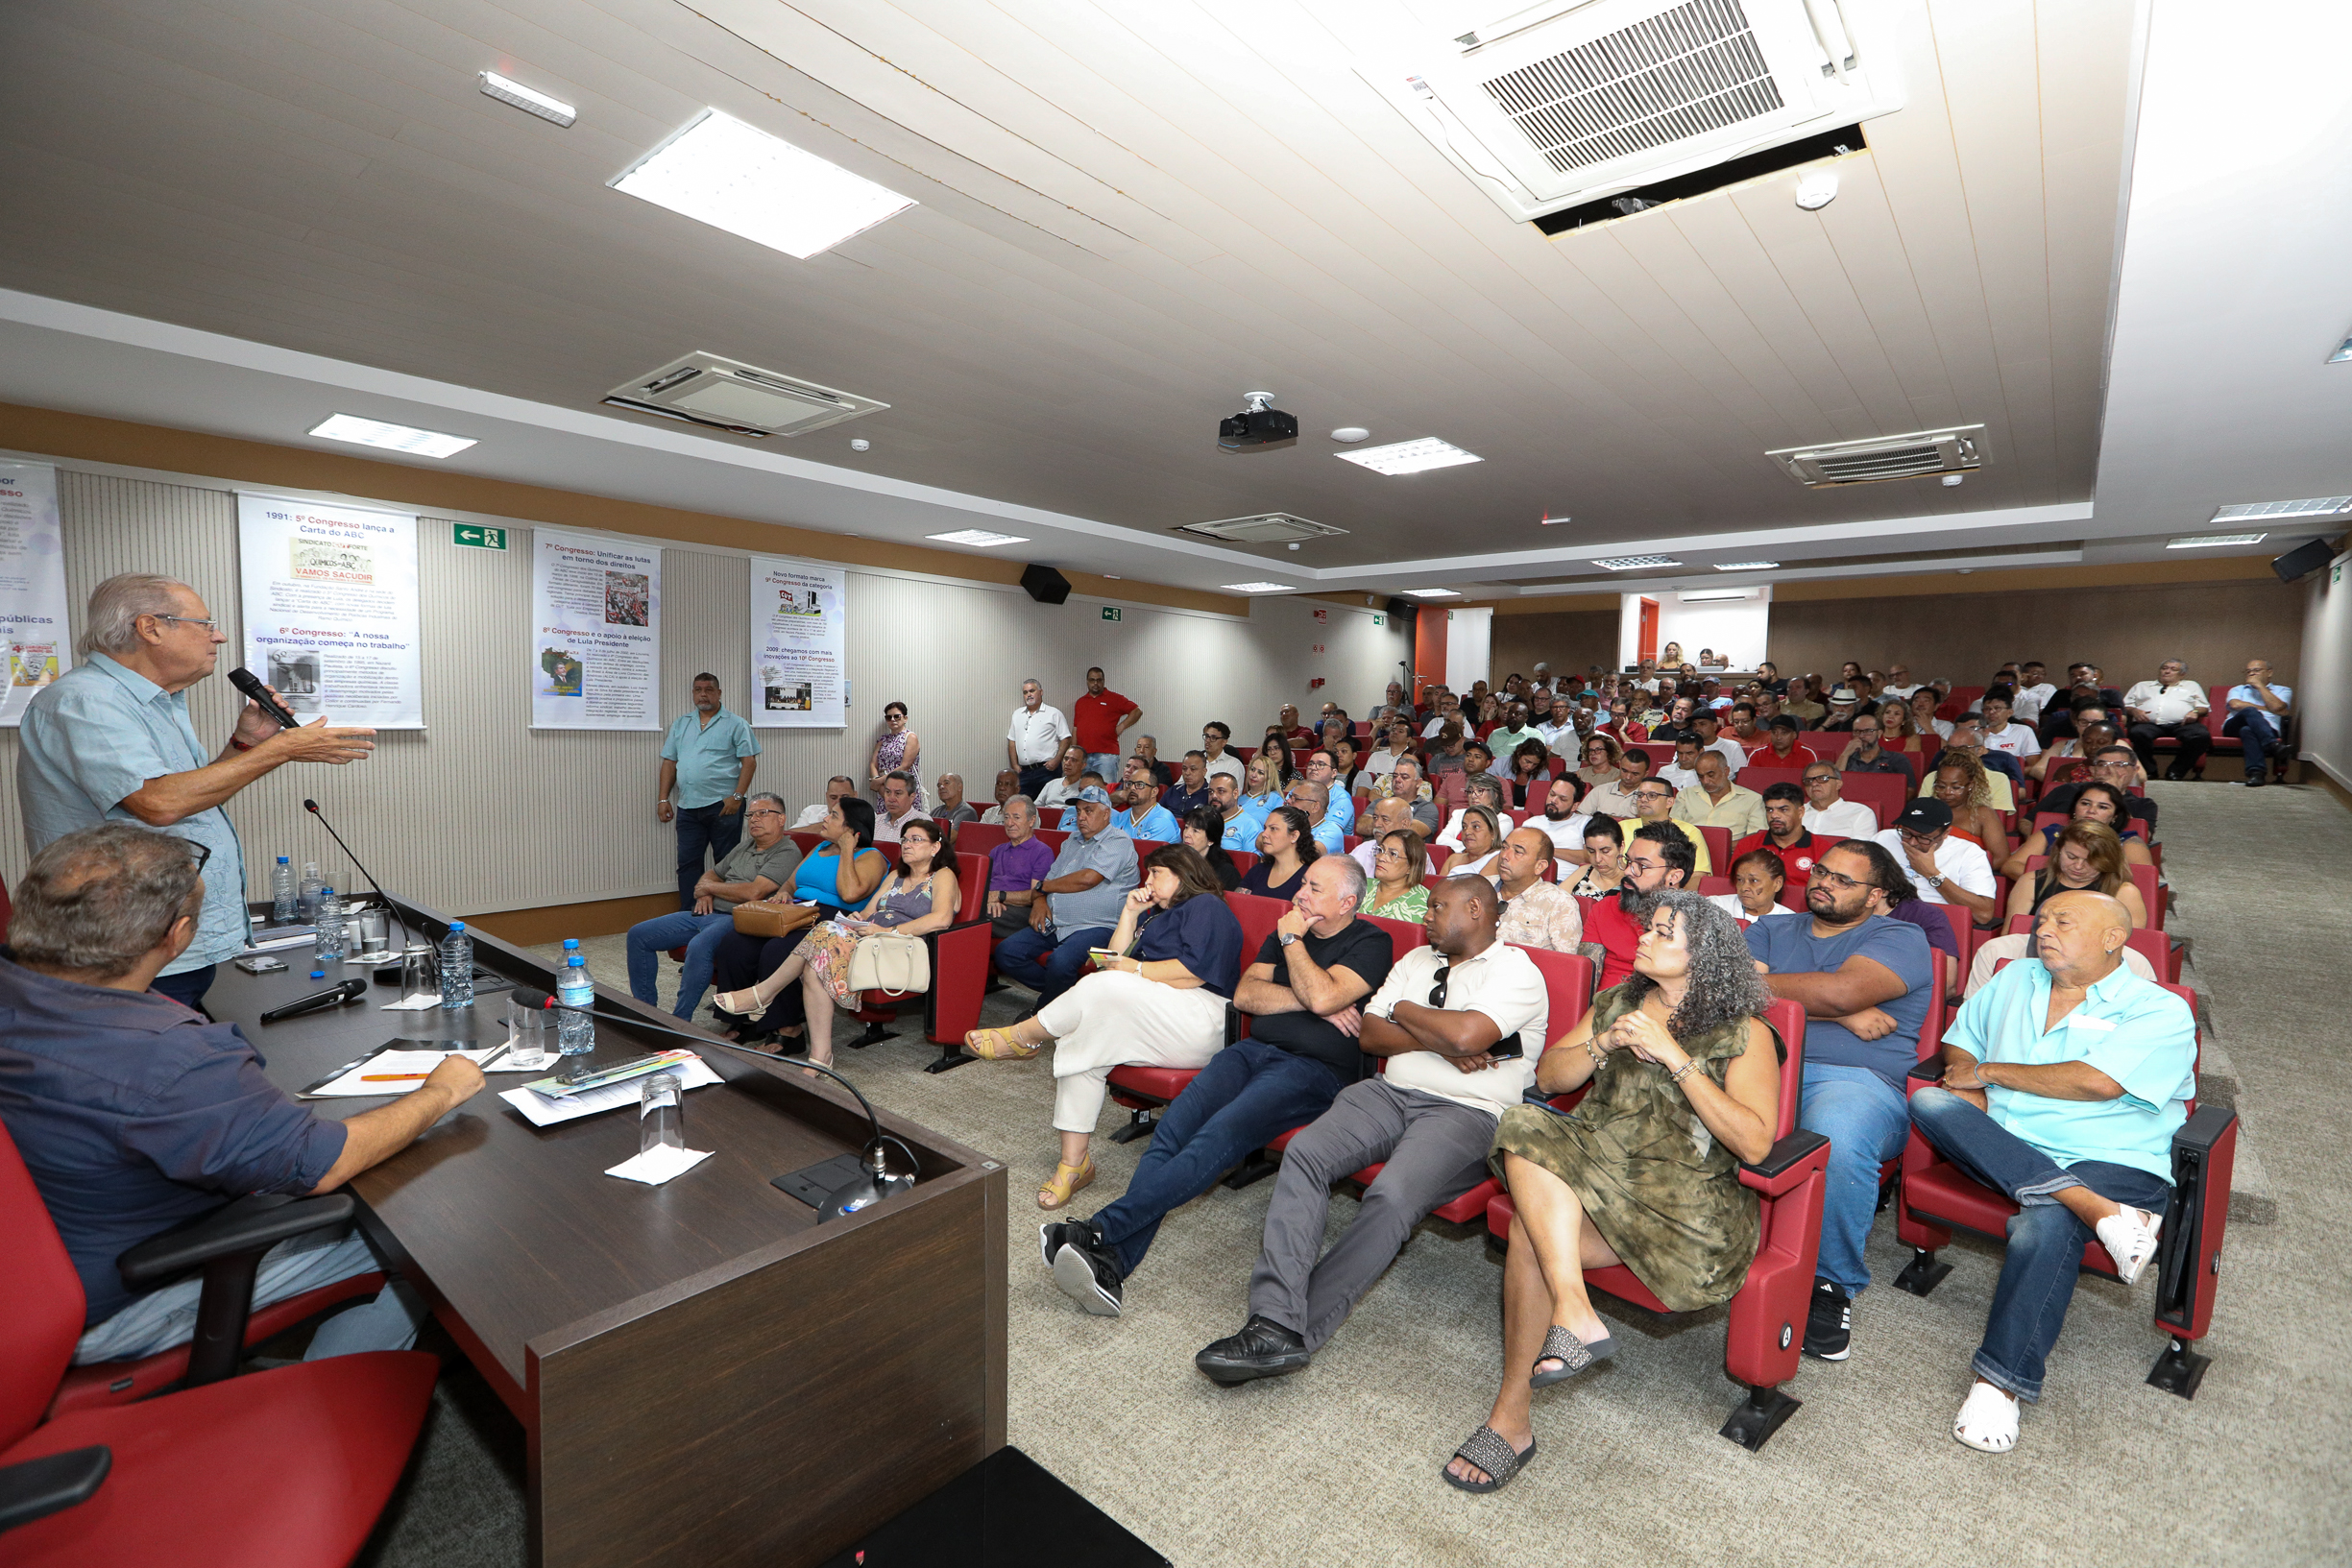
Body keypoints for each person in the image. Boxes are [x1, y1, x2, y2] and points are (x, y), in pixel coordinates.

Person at [1, 824, 479, 1364]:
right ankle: (318, 1405)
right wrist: (441, 1091)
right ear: (177, 936)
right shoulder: (166, 1058)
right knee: (425, 1225)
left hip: (28, 1275)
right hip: (106, 1309)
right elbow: (321, 1164)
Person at [1443, 892, 1781, 1492]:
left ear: (1701, 955)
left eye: (1660, 932)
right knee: (1520, 1122)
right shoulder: (1620, 1000)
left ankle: (1512, 1417)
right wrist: (1603, 1044)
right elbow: (1548, 1079)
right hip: (1603, 1165)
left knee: (1527, 1230)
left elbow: (1755, 1145)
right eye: (1646, 929)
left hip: (1686, 1204)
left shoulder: (1745, 1033)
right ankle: (1573, 1314)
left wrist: (1676, 1058)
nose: (1642, 939)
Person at [1195, 879, 1547, 1385]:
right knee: (1306, 1154)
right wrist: (1438, 1033)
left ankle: (1286, 1331)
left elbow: (1469, 1035)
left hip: (1468, 1111)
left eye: (1438, 906)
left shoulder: (1517, 971)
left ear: (1475, 910)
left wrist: (1408, 1013)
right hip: (1385, 1093)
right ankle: (1274, 1318)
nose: (1426, 916)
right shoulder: (1415, 961)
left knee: (1390, 1196)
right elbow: (1371, 1034)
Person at [1041, 857, 1394, 1315]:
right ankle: (1113, 1264)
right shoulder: (1287, 930)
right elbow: (1247, 996)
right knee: (1170, 1134)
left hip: (1312, 1070)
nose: (1301, 894)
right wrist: (1314, 1002)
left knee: (1214, 1137)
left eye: (1314, 888)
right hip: (1249, 1052)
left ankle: (1101, 1229)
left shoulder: (1369, 941)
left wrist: (1296, 951)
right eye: (1302, 883)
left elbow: (1325, 994)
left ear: (1347, 902)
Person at [1913, 891, 2194, 1453]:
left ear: (2115, 938)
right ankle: (2098, 1212)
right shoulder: (2014, 978)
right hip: (2010, 1144)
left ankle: (1999, 1384)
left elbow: (2097, 1082)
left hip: (2112, 1159)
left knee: (2043, 1225)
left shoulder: (2158, 1008)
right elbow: (1957, 1049)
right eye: (2043, 919)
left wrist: (1987, 1074)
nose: (2045, 929)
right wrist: (1975, 1086)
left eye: (2064, 921)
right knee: (1930, 1103)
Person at [16, 573, 376, 1010]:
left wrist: (246, 745)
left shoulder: (155, 702)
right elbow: (157, 803)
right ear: (151, 628)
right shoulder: (87, 701)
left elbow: (187, 798)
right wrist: (280, 751)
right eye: (205, 624)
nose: (218, 637)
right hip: (120, 946)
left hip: (164, 940)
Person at [966, 846, 1243, 1210]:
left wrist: (1135, 971)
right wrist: (1129, 913)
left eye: (1156, 873)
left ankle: (1024, 1037)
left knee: (1103, 990)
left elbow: (1192, 973)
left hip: (1202, 1017)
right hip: (1156, 1010)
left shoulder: (1205, 906)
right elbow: (1113, 963)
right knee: (1083, 1038)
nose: (1148, 882)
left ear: (1182, 873)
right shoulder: (1158, 915)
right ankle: (1073, 1164)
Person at [1744, 838, 1934, 1362]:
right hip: (1760, 1065)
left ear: (1877, 895)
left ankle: (1831, 1283)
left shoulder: (1901, 936)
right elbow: (1725, 990)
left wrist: (1832, 1000)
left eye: (1843, 880)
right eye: (1822, 872)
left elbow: (1843, 990)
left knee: (1839, 1136)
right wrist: (1837, 1010)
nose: (1824, 882)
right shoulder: (1770, 927)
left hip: (1855, 1080)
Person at [715, 819, 960, 1070]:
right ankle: (821, 1059)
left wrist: (886, 930)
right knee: (813, 968)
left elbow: (941, 919)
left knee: (823, 929)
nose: (907, 844)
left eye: (916, 840)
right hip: (869, 939)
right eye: (905, 839)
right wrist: (858, 919)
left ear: (935, 848)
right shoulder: (897, 875)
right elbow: (867, 911)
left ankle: (764, 993)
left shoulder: (942, 876)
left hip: (899, 948)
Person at [705, 797, 888, 1043]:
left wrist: (846, 850)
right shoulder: (818, 848)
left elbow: (850, 893)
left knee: (776, 951)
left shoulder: (871, 856)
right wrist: (784, 892)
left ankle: (789, 1031)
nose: (824, 818)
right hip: (796, 911)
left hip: (830, 919)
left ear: (851, 827)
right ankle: (743, 1021)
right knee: (735, 944)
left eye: (833, 815)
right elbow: (792, 882)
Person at [625, 791, 800, 1020]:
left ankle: (680, 1021)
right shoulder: (745, 846)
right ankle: (645, 1013)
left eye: (763, 813)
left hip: (737, 918)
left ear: (781, 819)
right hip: (706, 912)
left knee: (699, 946)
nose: (754, 819)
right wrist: (705, 890)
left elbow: (754, 892)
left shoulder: (786, 852)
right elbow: (713, 874)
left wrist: (710, 889)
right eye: (750, 814)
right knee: (638, 935)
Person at [991, 786, 1138, 1012]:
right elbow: (1050, 878)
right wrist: (1039, 901)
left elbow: (1088, 878)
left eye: (1088, 811)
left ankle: (1042, 1013)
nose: (1081, 817)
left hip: (1098, 926)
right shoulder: (1072, 841)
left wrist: (1042, 888)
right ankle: (1068, 995)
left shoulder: (1118, 841)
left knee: (1060, 962)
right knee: (1007, 953)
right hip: (1057, 922)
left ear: (1106, 814)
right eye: (1078, 811)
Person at [652, 672, 764, 910]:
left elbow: (749, 762)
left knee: (725, 863)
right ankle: (689, 913)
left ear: (719, 693)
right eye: (698, 689)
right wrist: (663, 799)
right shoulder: (681, 724)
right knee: (687, 863)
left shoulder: (736, 723)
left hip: (724, 806)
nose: (703, 694)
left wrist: (737, 797)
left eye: (709, 689)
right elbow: (669, 762)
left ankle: (721, 913)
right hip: (688, 807)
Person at [1583, 823, 1695, 987]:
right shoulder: (1605, 908)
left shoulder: (1695, 922)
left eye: (1642, 866)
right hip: (1604, 1007)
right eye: (1628, 861)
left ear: (1674, 876)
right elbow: (1585, 981)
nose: (1628, 871)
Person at [2000, 821, 2149, 928]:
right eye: (2071, 857)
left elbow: (2130, 947)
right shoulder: (2030, 881)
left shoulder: (2124, 893)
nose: (2078, 866)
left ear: (2107, 860)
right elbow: (2011, 936)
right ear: (2058, 850)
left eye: (2090, 861)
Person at [1874, 799, 1998, 927]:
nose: (1912, 842)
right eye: (1906, 833)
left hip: (1936, 922)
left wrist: (1931, 873)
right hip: (1882, 916)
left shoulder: (1969, 853)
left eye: (1923, 837)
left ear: (1945, 833)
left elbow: (1984, 914)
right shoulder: (1883, 839)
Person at [2000, 781, 2154, 876]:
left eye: (2102, 807)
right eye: (2085, 803)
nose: (2091, 810)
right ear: (2074, 808)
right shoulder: (2051, 833)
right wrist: (2058, 881)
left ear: (2114, 816)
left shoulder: (2128, 842)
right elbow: (2011, 866)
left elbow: (2141, 880)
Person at [1490, 828, 1584, 952]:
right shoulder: (1480, 888)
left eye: (1518, 852)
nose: (1504, 856)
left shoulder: (1559, 903)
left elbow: (1565, 964)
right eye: (1504, 847)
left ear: (1539, 866)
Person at [2122, 660, 2211, 780]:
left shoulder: (2191, 686)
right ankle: (2149, 771)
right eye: (2164, 668)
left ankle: (2176, 771)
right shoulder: (2142, 686)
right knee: (2137, 733)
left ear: (2182, 674)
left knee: (2201, 735)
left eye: (2173, 669)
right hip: (2148, 723)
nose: (2167, 671)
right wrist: (2135, 711)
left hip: (2182, 724)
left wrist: (2195, 712)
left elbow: (2204, 707)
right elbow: (2125, 705)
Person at [2040, 745, 2160, 833]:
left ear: (2135, 771)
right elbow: (2028, 821)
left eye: (2119, 765)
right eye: (2103, 765)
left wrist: (2114, 792)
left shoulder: (2144, 805)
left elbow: (2144, 837)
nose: (2109, 771)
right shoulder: (2066, 789)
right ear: (2093, 770)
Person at [1734, 782, 1827, 883]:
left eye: (1783, 810)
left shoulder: (1823, 850)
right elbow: (1733, 884)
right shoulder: (1748, 845)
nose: (1774, 816)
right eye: (1769, 810)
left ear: (1800, 812)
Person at [2222, 659, 2292, 786]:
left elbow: (2277, 706)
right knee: (2249, 711)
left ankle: (2256, 774)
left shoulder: (2283, 690)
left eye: (2256, 670)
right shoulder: (2238, 689)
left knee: (2247, 730)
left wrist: (2260, 686)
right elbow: (2236, 704)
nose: (2251, 674)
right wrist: (2266, 709)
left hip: (2268, 728)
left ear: (2269, 673)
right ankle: (2273, 745)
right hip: (2233, 726)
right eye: (2248, 671)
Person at [1625, 776, 1710, 875]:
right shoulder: (1622, 827)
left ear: (1669, 802)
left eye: (1652, 795)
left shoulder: (1690, 832)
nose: (1643, 799)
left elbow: (1698, 875)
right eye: (1640, 795)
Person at [1929, 753, 2013, 851]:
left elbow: (2000, 858)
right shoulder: (1927, 810)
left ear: (1970, 786)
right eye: (1941, 786)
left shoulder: (1983, 814)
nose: (1947, 792)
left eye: (1956, 787)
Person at [1674, 751, 1765, 840]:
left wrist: (1722, 847)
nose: (1706, 781)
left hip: (1733, 853)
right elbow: (1672, 830)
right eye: (1701, 776)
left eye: (1711, 775)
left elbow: (1756, 838)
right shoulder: (1685, 795)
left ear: (1726, 771)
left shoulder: (1753, 800)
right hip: (1689, 852)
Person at [1007, 677, 1073, 799]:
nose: (1029, 695)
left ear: (1041, 692)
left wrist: (1056, 760)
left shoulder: (1053, 713)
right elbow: (1012, 741)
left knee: (1048, 806)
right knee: (1023, 806)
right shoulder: (1017, 714)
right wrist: (1015, 765)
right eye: (1025, 692)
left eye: (1032, 691)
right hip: (1024, 772)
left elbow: (1066, 738)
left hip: (1046, 771)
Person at [1073, 665, 1141, 777]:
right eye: (1092, 680)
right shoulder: (1080, 702)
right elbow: (1076, 728)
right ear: (1087, 681)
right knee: (1083, 791)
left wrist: (1122, 726)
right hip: (1083, 756)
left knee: (1106, 790)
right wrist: (1074, 752)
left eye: (1099, 680)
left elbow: (1137, 711)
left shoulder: (1114, 698)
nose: (1095, 683)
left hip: (1106, 756)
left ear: (1103, 681)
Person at [1241, 806, 1319, 900]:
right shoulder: (1257, 871)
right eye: (1265, 828)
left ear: (1294, 836)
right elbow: (1238, 905)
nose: (1264, 834)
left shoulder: (1310, 878)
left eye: (1273, 829)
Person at [1363, 828, 1431, 921]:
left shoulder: (1426, 902)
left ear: (1411, 866)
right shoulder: (1359, 885)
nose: (1381, 858)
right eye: (1381, 850)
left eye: (1393, 854)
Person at [1798, 763, 1879, 840]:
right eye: (1808, 780)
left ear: (1838, 784)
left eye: (1822, 778)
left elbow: (1861, 851)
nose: (1814, 784)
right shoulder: (1794, 812)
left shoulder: (1861, 813)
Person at [1833, 711, 1916, 785]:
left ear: (1879, 733)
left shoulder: (1896, 759)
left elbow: (1909, 790)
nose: (1861, 736)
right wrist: (1845, 754)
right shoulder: (1847, 758)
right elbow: (1834, 785)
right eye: (1857, 731)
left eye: (1868, 731)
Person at [867, 700, 922, 807]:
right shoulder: (883, 739)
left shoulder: (910, 737)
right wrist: (878, 784)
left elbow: (905, 767)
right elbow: (873, 764)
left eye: (897, 716)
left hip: (904, 790)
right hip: (884, 790)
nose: (893, 720)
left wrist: (879, 782)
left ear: (905, 718)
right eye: (889, 717)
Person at [1711, 848, 1787, 923]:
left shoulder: (1790, 922)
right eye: (1740, 880)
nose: (1744, 888)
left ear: (1777, 883)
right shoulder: (1715, 907)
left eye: (1754, 881)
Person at [1179, 803, 1244, 891]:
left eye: (1195, 831)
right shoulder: (1175, 861)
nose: (1187, 834)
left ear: (1211, 840)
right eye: (1186, 827)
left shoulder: (1226, 872)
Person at [1564, 817, 1628, 900]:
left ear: (1621, 847)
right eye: (1591, 851)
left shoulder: (1634, 879)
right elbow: (1554, 900)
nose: (1597, 859)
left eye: (1605, 851)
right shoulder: (1584, 872)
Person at [1582, 745, 1650, 820]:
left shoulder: (1652, 797)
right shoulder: (1600, 791)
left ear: (1646, 773)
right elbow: (1580, 818)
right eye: (1624, 771)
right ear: (1620, 765)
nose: (1628, 777)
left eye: (1635, 774)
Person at [1113, 766, 1179, 843]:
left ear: (1154, 792)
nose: (1132, 788)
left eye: (1140, 785)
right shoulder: (1119, 817)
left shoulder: (1163, 820)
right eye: (1130, 784)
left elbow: (1141, 851)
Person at [1975, 691, 2041, 766]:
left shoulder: (2023, 731)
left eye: (1997, 708)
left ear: (2010, 712)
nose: (1991, 712)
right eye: (1987, 709)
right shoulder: (1976, 733)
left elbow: (2034, 765)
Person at [1446, 803, 1505, 879]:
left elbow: (1478, 888)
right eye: (1464, 827)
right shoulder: (1453, 859)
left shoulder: (1499, 858)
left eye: (1476, 827)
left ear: (1493, 833)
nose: (1467, 832)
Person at [1034, 740, 1091, 812]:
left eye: (1073, 760)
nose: (1067, 763)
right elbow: (1035, 808)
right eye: (1066, 759)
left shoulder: (1085, 788)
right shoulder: (1051, 784)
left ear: (1083, 765)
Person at [872, 770, 925, 843]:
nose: (891, 799)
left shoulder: (922, 822)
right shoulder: (876, 822)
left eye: (898, 793)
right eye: (888, 792)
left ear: (911, 797)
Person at [1501, 739, 1551, 812]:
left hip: (1532, 814)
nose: (1530, 767)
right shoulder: (1501, 764)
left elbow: (1542, 801)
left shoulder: (1544, 773)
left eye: (1535, 764)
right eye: (1527, 761)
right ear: (1519, 754)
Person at [793, 774, 859, 830]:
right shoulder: (811, 811)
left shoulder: (864, 817)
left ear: (855, 795)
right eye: (833, 798)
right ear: (826, 796)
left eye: (845, 797)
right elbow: (791, 835)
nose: (839, 802)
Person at [1164, 750, 1214, 820]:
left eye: (1193, 769)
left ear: (1204, 771)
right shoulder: (1174, 790)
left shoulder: (1210, 794)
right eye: (1184, 769)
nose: (1187, 773)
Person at [1754, 715, 1818, 770]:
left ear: (1794, 735)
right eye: (1774, 732)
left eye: (1784, 733)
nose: (1778, 737)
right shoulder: (1758, 753)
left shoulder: (1808, 753)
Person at [1200, 720, 1247, 784]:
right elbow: (1181, 785)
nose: (1208, 740)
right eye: (1207, 736)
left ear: (1224, 742)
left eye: (1213, 738)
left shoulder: (1234, 765)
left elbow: (1233, 792)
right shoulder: (1196, 760)